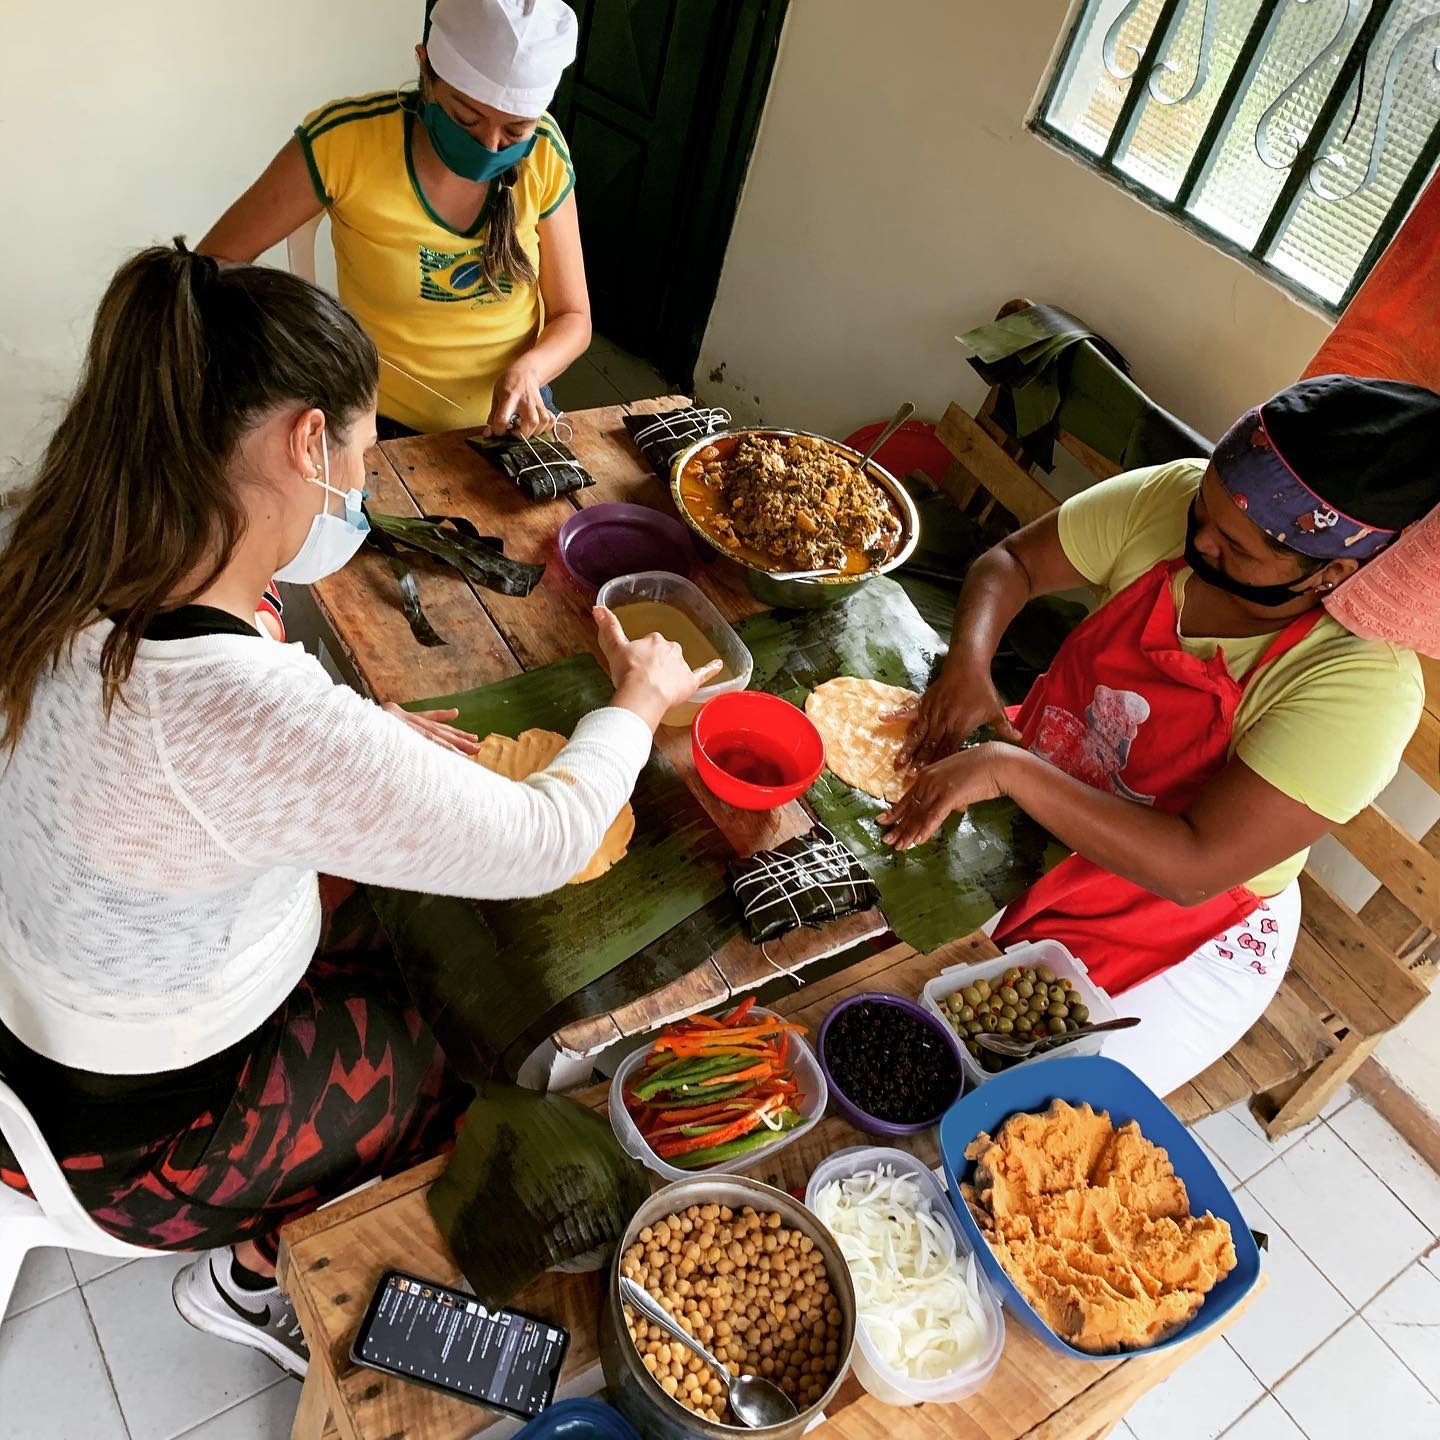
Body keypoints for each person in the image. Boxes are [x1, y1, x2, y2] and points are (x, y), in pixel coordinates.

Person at [0, 242, 717, 1375]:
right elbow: (550, 837)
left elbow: (217, 763)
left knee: (390, 917)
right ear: (303, 441)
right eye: (363, 453)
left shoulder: (62, 540)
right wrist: (638, 700)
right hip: (127, 1136)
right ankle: (246, 1284)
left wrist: (363, 749)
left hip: (41, 1024)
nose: (360, 485)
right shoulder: (245, 712)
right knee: (444, 1045)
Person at [880, 376, 1439, 1096]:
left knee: (1010, 1097)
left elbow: (1194, 865)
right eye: (1203, 510)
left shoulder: (1360, 685)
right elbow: (1012, 565)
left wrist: (1009, 770)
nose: (1201, 538)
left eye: (1236, 549)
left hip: (1188, 917)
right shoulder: (1178, 501)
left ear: (1329, 573)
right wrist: (969, 661)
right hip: (1046, 795)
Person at [200, 0, 586, 439]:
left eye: (515, 132)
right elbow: (212, 264)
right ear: (425, 66)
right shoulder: (346, 144)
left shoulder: (545, 153)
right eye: (466, 119)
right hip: (379, 427)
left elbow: (572, 315)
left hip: (519, 417)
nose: (490, 148)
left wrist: (531, 371)